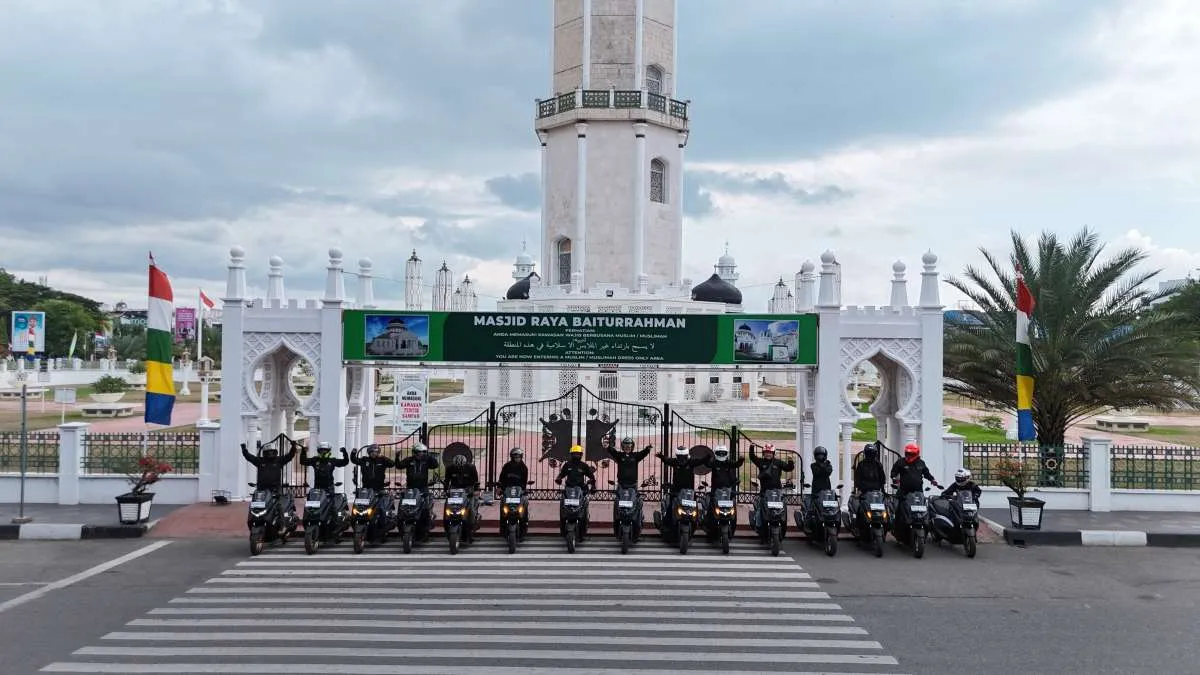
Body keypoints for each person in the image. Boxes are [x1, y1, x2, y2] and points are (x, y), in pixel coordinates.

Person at [606, 437, 653, 534]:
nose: (627, 446)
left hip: (633, 485)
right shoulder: (620, 456)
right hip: (621, 485)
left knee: (636, 503)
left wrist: (647, 449)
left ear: (632, 446)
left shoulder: (635, 456)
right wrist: (607, 447)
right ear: (623, 446)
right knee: (618, 504)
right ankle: (617, 522)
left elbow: (642, 454)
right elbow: (613, 452)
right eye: (625, 445)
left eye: (629, 445)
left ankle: (638, 520)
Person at [748, 443, 795, 531]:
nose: (768, 454)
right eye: (766, 452)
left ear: (773, 453)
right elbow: (752, 457)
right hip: (764, 492)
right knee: (760, 510)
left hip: (777, 491)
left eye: (770, 452)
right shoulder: (761, 462)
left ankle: (783, 527)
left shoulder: (778, 462)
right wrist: (751, 448)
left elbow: (789, 468)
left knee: (781, 510)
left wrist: (791, 461)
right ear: (763, 453)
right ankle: (758, 527)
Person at [656, 445, 706, 517]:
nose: (682, 459)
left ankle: (697, 520)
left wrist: (707, 456)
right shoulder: (675, 462)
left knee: (695, 506)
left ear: (686, 455)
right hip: (676, 490)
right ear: (677, 456)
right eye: (680, 457)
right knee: (670, 505)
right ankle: (667, 521)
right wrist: (661, 456)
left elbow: (701, 461)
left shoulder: (691, 462)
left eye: (683, 457)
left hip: (689, 490)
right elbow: (667, 460)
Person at [300, 442, 349, 511]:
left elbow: (345, 462)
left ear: (328, 451)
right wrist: (303, 452)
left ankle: (334, 521)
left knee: (332, 507)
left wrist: (345, 453)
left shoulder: (332, 461)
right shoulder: (315, 460)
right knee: (314, 507)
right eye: (321, 450)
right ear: (318, 451)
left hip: (329, 488)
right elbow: (303, 461)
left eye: (325, 450)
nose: (323, 452)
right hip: (317, 488)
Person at [395, 442, 439, 514]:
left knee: (426, 506)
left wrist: (429, 456)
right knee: (405, 505)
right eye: (418, 452)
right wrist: (397, 457)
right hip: (411, 487)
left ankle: (427, 520)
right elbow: (399, 466)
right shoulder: (409, 460)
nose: (420, 454)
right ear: (414, 452)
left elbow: (435, 465)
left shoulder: (426, 460)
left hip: (423, 487)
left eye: (422, 452)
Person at [804, 446, 834, 517]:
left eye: (822, 455)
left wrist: (824, 465)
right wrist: (823, 464)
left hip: (826, 490)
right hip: (816, 490)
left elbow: (828, 472)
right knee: (814, 508)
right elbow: (817, 473)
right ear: (815, 456)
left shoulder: (829, 465)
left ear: (825, 455)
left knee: (828, 507)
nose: (820, 457)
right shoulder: (813, 465)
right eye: (819, 455)